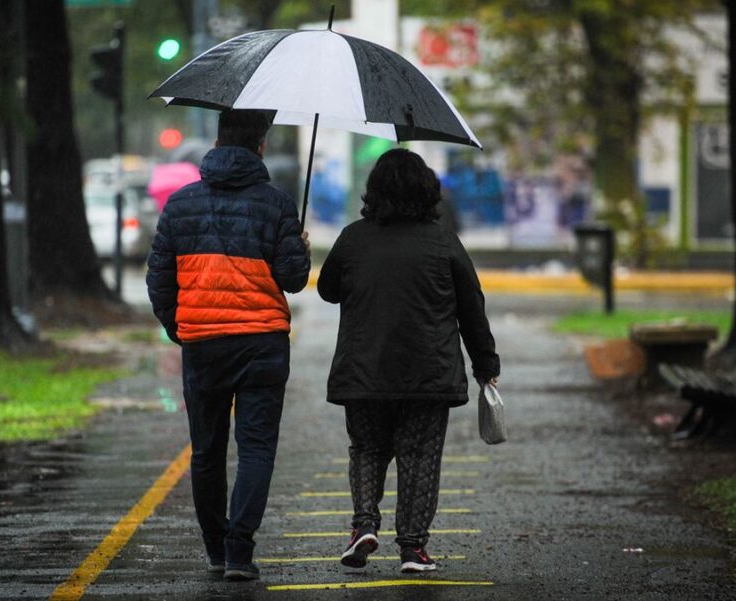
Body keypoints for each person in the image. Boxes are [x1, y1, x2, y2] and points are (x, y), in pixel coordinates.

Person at [146, 109, 311, 581]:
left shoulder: (179, 205)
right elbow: (294, 280)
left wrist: (180, 327)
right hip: (262, 344)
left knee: (206, 450)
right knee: (256, 448)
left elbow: (158, 278)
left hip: (203, 344)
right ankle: (240, 552)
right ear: (260, 145)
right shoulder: (277, 204)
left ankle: (215, 549)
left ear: (218, 141)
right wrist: (299, 245)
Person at [317, 148, 499, 574]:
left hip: (363, 372)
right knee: (419, 458)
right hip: (428, 374)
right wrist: (485, 363)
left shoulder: (353, 238)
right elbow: (472, 308)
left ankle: (363, 524)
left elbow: (327, 290)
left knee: (366, 449)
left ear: (374, 190)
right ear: (426, 191)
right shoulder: (443, 242)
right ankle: (413, 549)